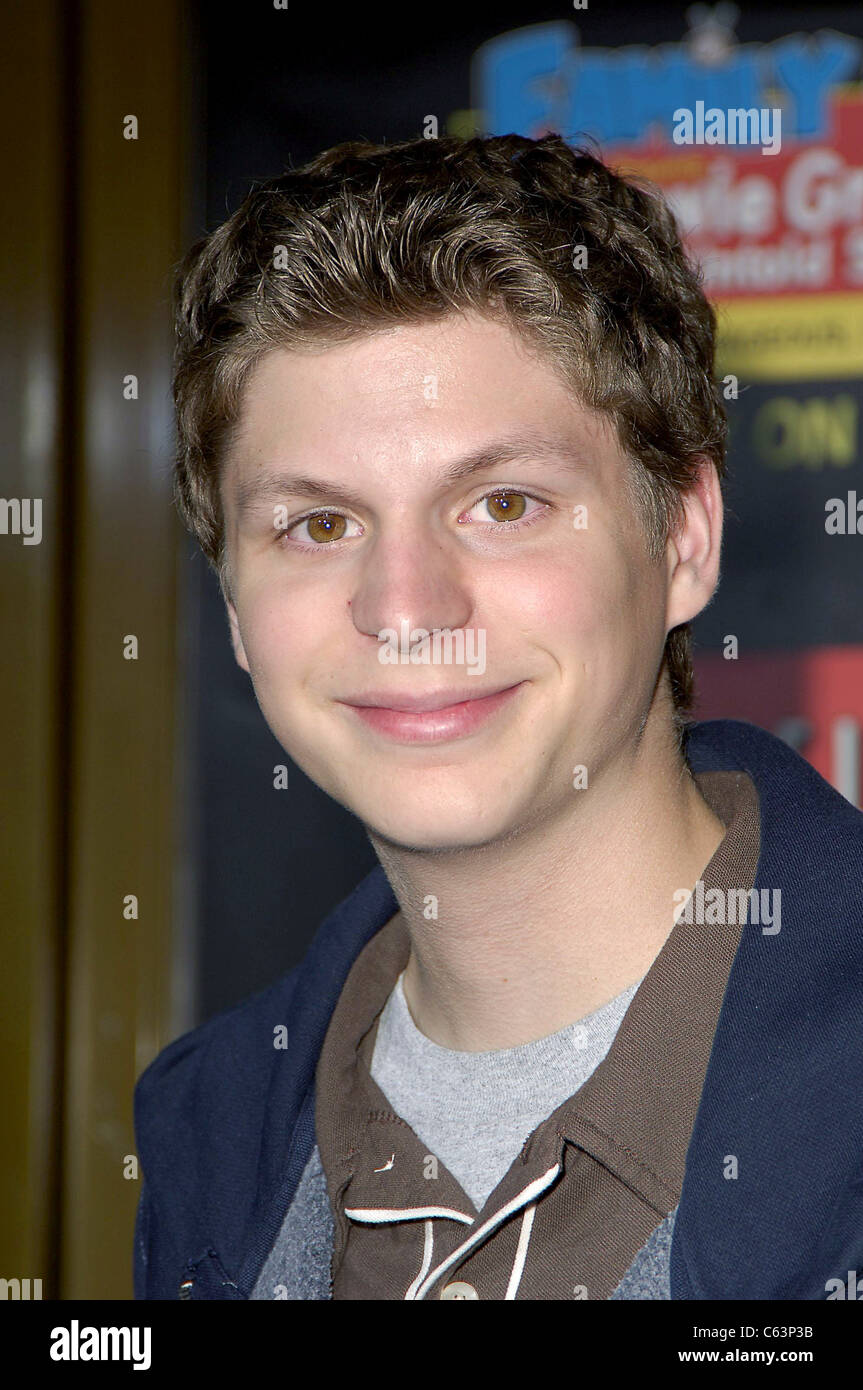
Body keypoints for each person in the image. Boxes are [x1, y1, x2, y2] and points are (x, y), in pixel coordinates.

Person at [133, 133, 863, 1301]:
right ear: (232, 602)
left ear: (682, 538)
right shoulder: (205, 1139)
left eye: (503, 502)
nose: (406, 610)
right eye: (318, 525)